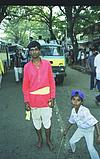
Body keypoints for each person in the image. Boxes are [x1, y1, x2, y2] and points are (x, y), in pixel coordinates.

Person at [22, 41, 56, 150]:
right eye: (31, 50)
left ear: (39, 51)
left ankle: (48, 140)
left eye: (36, 49)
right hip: (33, 101)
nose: (34, 52)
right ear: (29, 52)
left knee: (47, 122)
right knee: (36, 122)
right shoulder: (27, 67)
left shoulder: (47, 64)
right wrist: (26, 101)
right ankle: (40, 139)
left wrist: (52, 97)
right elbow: (25, 86)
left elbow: (52, 82)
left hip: (46, 100)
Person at [62, 89, 100, 159]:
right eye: (73, 99)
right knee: (71, 142)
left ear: (82, 102)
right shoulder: (73, 111)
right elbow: (71, 121)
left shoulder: (85, 111)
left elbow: (95, 122)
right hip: (80, 129)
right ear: (71, 100)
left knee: (90, 148)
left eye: (78, 100)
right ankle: (73, 150)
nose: (75, 102)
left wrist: (98, 135)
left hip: (88, 130)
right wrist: (66, 130)